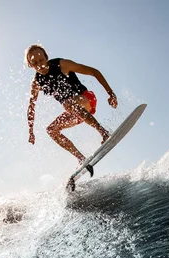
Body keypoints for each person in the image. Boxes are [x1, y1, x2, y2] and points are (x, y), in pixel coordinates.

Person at [25, 44, 118, 176]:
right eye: (34, 63)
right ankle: (81, 158)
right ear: (30, 65)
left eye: (41, 60)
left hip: (87, 100)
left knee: (68, 104)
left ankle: (103, 133)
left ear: (46, 57)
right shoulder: (36, 82)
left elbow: (94, 72)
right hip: (76, 112)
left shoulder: (62, 65)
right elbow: (31, 107)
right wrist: (31, 131)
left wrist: (111, 93)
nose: (39, 65)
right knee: (51, 130)